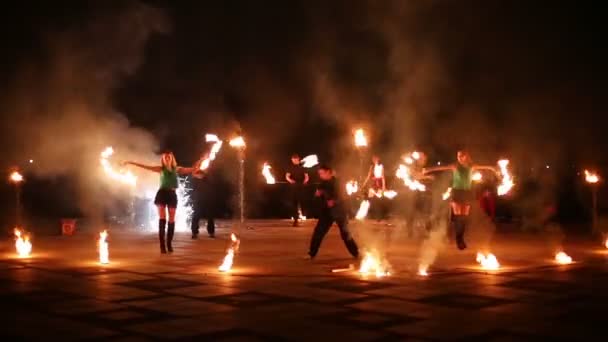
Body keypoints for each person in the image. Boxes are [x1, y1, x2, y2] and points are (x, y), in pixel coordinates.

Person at [124, 151, 198, 254]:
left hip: (172, 195)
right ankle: (162, 246)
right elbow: (145, 166)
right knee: (162, 219)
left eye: (169, 157)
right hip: (162, 194)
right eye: (165, 157)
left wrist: (200, 164)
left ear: (172, 158)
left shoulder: (177, 169)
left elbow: (191, 169)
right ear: (163, 159)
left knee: (171, 220)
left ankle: (169, 244)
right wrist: (131, 162)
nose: (167, 158)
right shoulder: (160, 169)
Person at [423, 150, 499, 250]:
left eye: (461, 156)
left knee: (464, 217)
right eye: (458, 156)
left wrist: (493, 168)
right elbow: (441, 167)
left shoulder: (471, 166)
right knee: (458, 216)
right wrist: (428, 170)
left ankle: (460, 237)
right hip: (457, 192)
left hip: (467, 193)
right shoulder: (455, 166)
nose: (459, 158)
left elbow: (484, 166)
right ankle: (458, 239)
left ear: (466, 157)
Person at [307, 164, 359, 259]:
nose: (320, 175)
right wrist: (318, 195)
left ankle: (355, 253)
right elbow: (318, 196)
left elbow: (344, 196)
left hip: (339, 211)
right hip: (326, 212)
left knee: (345, 233)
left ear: (328, 172)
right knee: (319, 232)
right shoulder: (322, 184)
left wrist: (334, 201)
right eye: (319, 174)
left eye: (322, 173)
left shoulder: (338, 183)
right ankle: (312, 253)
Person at [190, 156, 218, 239]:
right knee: (196, 215)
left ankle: (211, 232)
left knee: (210, 216)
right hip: (198, 198)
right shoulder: (196, 174)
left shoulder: (209, 175)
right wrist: (201, 160)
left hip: (208, 198)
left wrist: (207, 161)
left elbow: (209, 178)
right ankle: (194, 232)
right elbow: (195, 172)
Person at [285, 154, 309, 227]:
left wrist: (305, 181)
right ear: (292, 160)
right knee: (294, 203)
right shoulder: (290, 167)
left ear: (298, 160)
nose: (294, 160)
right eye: (293, 159)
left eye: (296, 159)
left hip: (301, 187)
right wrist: (290, 180)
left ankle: (302, 216)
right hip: (293, 187)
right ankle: (296, 220)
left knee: (302, 202)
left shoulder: (303, 168)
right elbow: (287, 176)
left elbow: (307, 177)